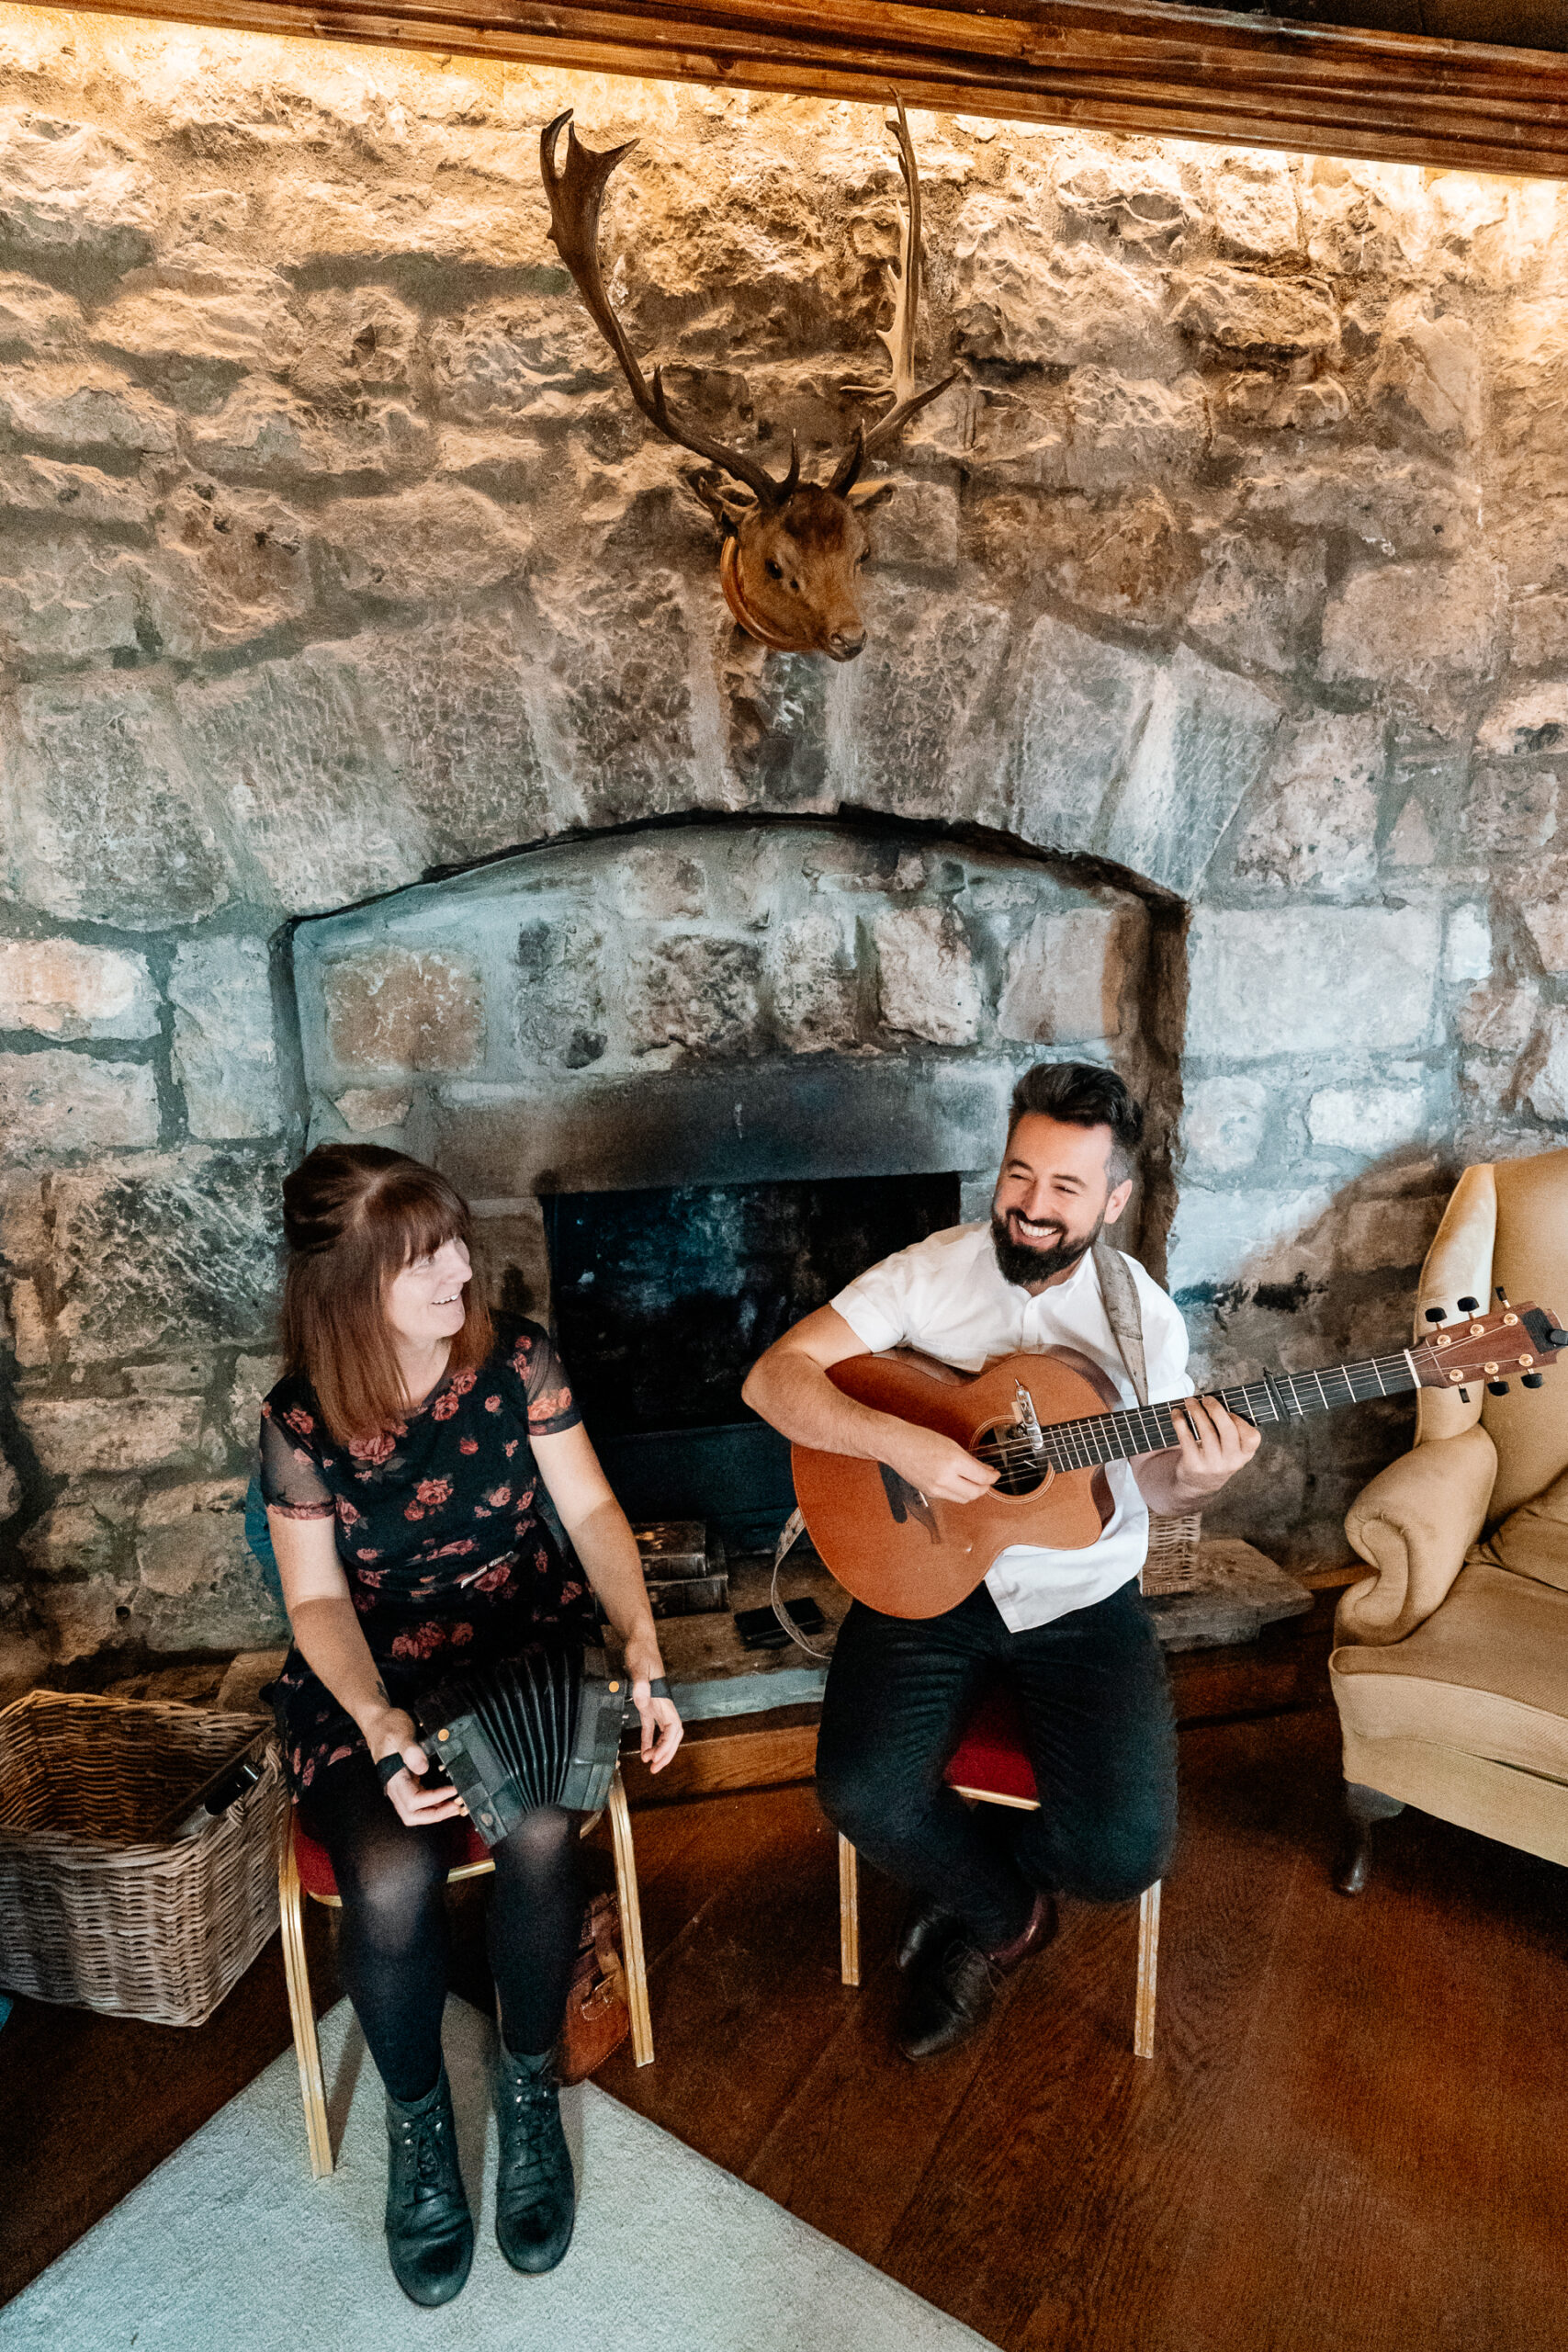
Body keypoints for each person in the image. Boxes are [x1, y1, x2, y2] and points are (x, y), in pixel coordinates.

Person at [741, 1061, 1260, 2061]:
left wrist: (1199, 1481)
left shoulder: (1139, 1317)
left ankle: (968, 1886)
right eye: (1020, 1174)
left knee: (1124, 1853)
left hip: (1079, 1590)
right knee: (859, 1790)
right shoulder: (928, 1271)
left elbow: (1152, 1486)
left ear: (1114, 1198)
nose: (1030, 1206)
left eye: (1066, 1187)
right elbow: (776, 1381)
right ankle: (1000, 1914)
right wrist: (905, 1445)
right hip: (924, 1575)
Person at [259, 1142, 682, 2306]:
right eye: (424, 1258)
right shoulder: (301, 1420)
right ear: (350, 1288)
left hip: (512, 1638)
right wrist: (382, 1722)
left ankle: (529, 2091)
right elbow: (314, 1599)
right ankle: (423, 2134)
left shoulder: (518, 1361)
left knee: (542, 1825)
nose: (461, 1266)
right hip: (373, 1672)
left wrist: (638, 1636)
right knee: (391, 1875)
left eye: (451, 1239)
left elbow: (590, 1505)